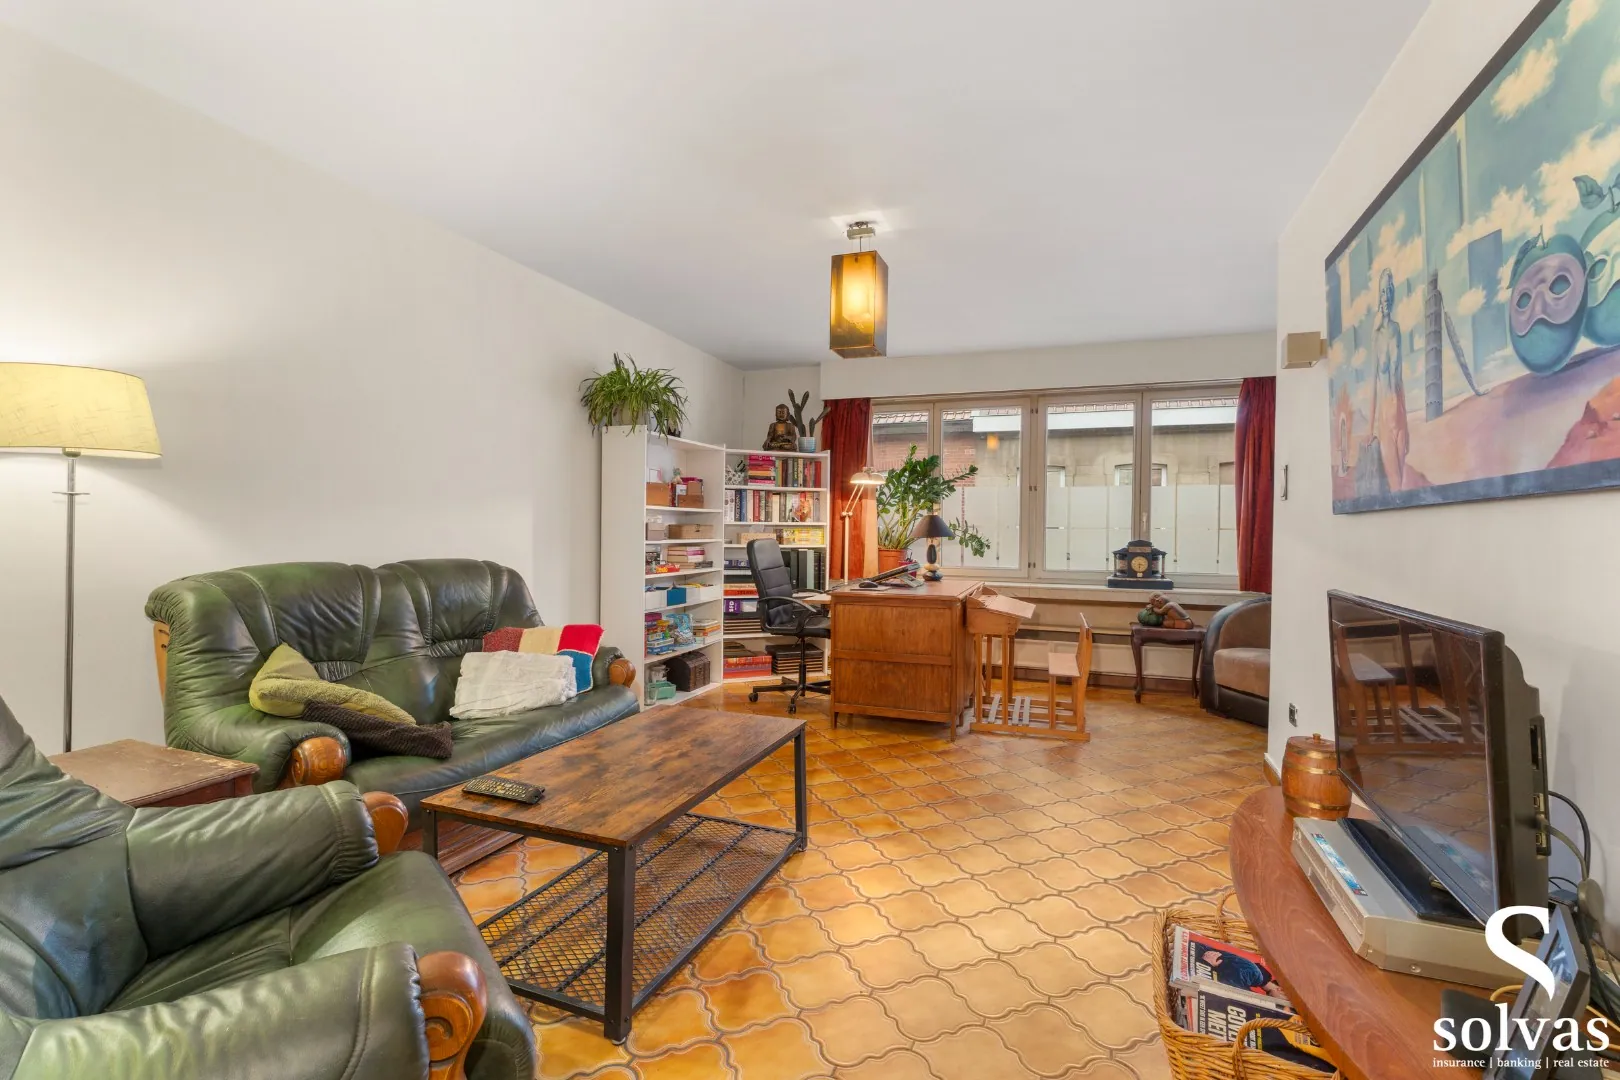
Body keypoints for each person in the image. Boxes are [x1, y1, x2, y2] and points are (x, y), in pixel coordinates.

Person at [1201, 948, 1283, 996]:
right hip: (1201, 958)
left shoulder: (1256, 976)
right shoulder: (1255, 974)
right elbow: (1236, 990)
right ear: (1281, 990)